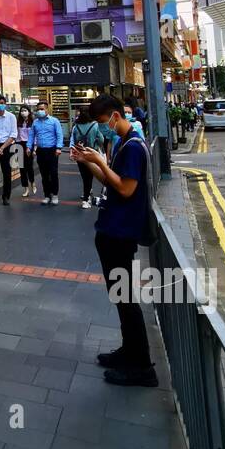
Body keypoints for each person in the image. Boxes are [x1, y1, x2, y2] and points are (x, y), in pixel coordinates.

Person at [70, 95, 157, 388]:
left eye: (102, 122)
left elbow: (126, 188)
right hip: (111, 228)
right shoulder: (123, 143)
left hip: (121, 231)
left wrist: (98, 161)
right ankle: (129, 350)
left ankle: (142, 365)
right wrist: (90, 162)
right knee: (120, 297)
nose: (102, 127)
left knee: (126, 298)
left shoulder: (133, 146)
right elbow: (110, 181)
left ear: (115, 116)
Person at [28, 100, 64, 205]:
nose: (40, 111)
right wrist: (28, 147)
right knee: (44, 175)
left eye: (42, 109)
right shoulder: (35, 122)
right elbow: (31, 136)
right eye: (38, 109)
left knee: (53, 173)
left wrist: (59, 148)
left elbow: (59, 135)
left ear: (47, 109)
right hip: (40, 151)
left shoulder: (54, 121)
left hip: (52, 150)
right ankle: (47, 195)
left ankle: (55, 195)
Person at [70, 109, 108, 208]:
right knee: (90, 176)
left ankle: (87, 195)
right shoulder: (95, 125)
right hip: (91, 153)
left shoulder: (76, 126)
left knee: (84, 176)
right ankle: (86, 199)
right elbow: (101, 140)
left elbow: (74, 139)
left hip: (80, 153)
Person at [16, 106, 36, 198]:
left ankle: (32, 182)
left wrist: (34, 148)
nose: (23, 112)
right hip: (20, 144)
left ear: (29, 112)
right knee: (22, 168)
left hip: (29, 145)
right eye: (22, 111)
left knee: (29, 166)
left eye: (25, 111)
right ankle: (26, 188)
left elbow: (36, 136)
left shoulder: (33, 122)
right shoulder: (18, 122)